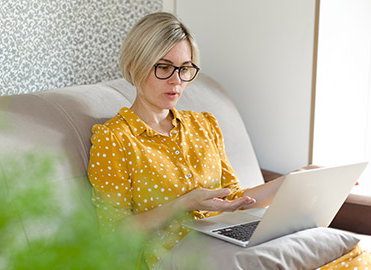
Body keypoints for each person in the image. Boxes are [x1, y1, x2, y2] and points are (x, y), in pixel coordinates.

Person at [86, 12, 351, 269]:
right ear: (135, 64)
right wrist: (183, 204)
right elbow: (114, 234)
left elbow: (234, 199)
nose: (177, 81)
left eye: (185, 69)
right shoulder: (114, 139)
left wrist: (292, 180)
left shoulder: (203, 125)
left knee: (342, 248)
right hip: (175, 257)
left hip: (224, 243)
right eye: (164, 67)